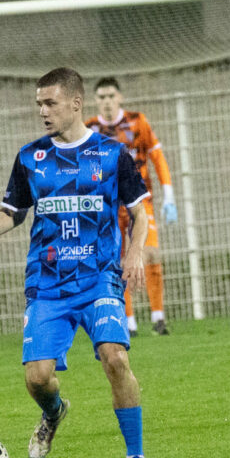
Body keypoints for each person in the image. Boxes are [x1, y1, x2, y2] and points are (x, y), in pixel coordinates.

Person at [0, 68, 152, 458]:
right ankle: (53, 413)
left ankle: (135, 455)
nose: (42, 110)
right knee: (37, 378)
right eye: (39, 103)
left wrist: (134, 252)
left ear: (76, 104)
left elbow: (138, 213)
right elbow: (10, 215)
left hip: (99, 279)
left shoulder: (111, 154)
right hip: (48, 286)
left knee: (116, 358)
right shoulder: (30, 157)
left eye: (50, 102)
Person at [86, 78, 178, 336]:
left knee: (151, 253)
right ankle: (128, 322)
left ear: (120, 97)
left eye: (110, 96)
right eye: (101, 97)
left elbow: (157, 157)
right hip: (109, 207)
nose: (106, 101)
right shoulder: (89, 130)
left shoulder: (138, 121)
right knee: (118, 260)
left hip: (140, 202)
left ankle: (158, 318)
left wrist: (168, 194)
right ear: (96, 101)